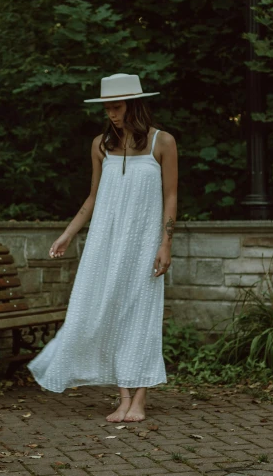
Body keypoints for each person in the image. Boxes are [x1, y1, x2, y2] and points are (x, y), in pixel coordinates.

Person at [28, 73, 178, 423]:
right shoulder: (100, 145)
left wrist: (165, 242)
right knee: (105, 311)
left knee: (141, 314)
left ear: (135, 105)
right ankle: (123, 398)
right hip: (105, 243)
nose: (111, 113)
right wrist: (68, 234)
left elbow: (171, 195)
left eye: (117, 106)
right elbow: (94, 197)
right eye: (107, 107)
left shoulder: (163, 142)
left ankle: (139, 401)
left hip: (143, 244)